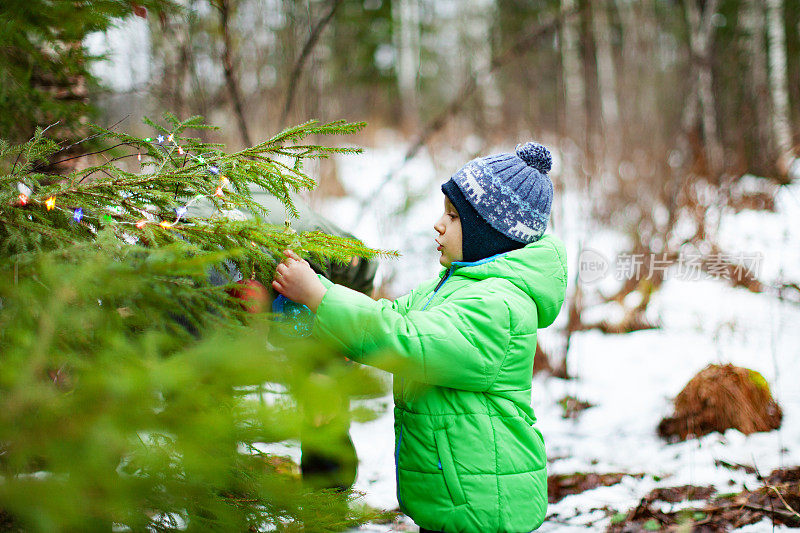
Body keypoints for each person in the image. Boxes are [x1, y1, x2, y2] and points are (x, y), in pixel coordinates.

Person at [271, 142, 568, 533]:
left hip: (485, 505)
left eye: (454, 217)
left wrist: (319, 296)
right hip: (457, 496)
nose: (439, 225)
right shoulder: (453, 287)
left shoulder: (498, 307)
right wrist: (314, 312)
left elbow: (404, 340)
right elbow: (389, 316)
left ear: (489, 235)